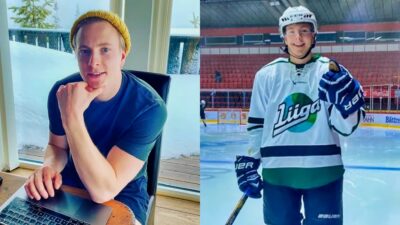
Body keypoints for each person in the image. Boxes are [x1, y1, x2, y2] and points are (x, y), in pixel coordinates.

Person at [24, 10, 167, 225]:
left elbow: (104, 190)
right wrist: (49, 168)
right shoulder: (62, 92)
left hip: (121, 194)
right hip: (69, 185)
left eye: (105, 50)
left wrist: (72, 116)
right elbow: (58, 147)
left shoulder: (150, 108)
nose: (93, 62)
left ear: (122, 55)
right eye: (84, 51)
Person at [234, 6, 365, 225]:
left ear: (314, 34)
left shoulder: (331, 72)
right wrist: (250, 159)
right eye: (291, 31)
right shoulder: (265, 75)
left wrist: (346, 107)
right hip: (278, 176)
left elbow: (346, 128)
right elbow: (257, 126)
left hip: (324, 175)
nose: (298, 37)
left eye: (304, 30)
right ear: (283, 35)